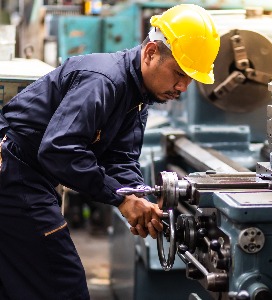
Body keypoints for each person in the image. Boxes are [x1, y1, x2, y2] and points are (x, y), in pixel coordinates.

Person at [0, 3, 220, 300]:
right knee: (63, 283)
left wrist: (137, 197)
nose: (183, 86)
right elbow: (58, 150)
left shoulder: (139, 95)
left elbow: (121, 157)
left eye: (190, 78)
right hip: (14, 171)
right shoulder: (104, 81)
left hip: (29, 176)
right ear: (151, 52)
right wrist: (120, 197)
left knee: (20, 281)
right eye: (179, 73)